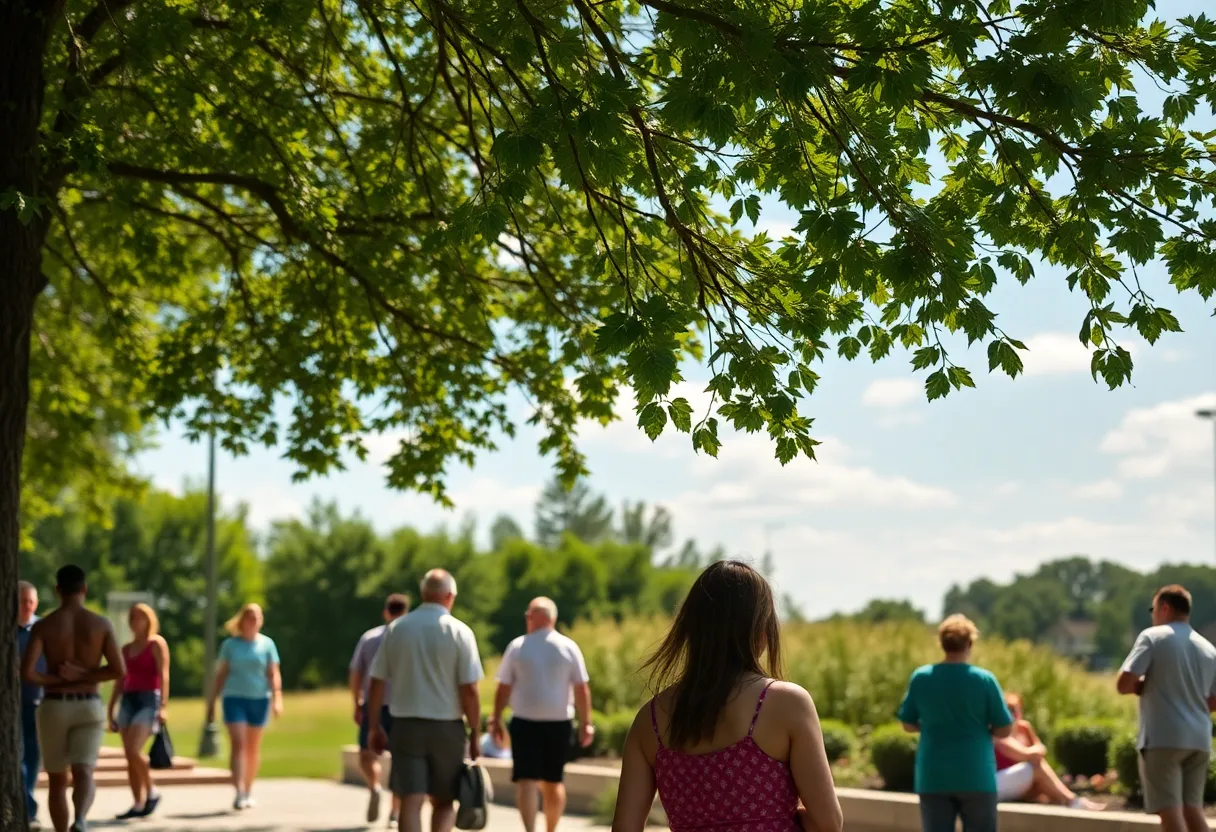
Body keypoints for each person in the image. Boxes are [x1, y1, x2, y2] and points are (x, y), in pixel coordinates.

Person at [612, 561, 843, 832]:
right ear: (760, 632)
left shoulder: (649, 721)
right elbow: (828, 823)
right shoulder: (787, 703)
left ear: (691, 630)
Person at [367, 569, 483, 832]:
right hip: (447, 726)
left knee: (411, 799)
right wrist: (475, 732)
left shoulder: (397, 629)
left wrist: (374, 725)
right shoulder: (459, 632)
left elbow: (376, 682)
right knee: (443, 801)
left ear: (423, 594)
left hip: (406, 725)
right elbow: (470, 690)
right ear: (450, 596)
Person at [20, 565, 125, 832]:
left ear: (57, 590)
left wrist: (58, 680)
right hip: (89, 706)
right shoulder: (101, 624)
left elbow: (28, 672)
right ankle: (80, 820)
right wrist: (86, 675)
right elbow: (118, 669)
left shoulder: (44, 626)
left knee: (57, 779)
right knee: (85, 771)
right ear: (84, 589)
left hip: (54, 706)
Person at [896, 614, 1014, 832]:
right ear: (970, 643)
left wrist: (930, 726)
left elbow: (907, 723)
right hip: (976, 774)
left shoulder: (922, 677)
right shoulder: (984, 680)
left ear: (942, 643)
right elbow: (1004, 729)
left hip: (934, 775)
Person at [490, 597, 595, 832]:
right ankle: (550, 830)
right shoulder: (568, 647)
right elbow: (581, 688)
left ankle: (531, 830)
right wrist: (586, 723)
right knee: (553, 781)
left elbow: (503, 688)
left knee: (527, 780)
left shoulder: (518, 646)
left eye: (529, 615)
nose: (526, 619)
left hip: (526, 722)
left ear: (540, 617)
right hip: (558, 724)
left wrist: (495, 718)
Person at [1117, 585, 1216, 832]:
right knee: (1193, 810)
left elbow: (1124, 683)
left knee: (1170, 812)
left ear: (1164, 608)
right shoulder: (1208, 648)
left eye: (1154, 609)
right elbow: (1214, 701)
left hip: (1163, 738)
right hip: (1200, 738)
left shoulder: (1153, 636)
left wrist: (1143, 687)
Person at [205, 602, 283, 811]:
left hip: (259, 698)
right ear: (242, 620)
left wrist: (278, 698)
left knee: (252, 747)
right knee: (239, 744)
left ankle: (248, 790)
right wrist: (212, 701)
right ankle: (238, 791)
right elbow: (221, 674)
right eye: (250, 617)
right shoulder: (230, 645)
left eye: (257, 617)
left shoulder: (267, 645)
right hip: (234, 698)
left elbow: (273, 673)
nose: (253, 621)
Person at [350, 593, 410, 825]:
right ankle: (395, 812)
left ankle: (375, 785)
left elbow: (357, 673)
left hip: (373, 705)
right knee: (400, 760)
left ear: (386, 612)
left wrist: (357, 702)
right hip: (403, 706)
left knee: (366, 754)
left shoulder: (370, 638)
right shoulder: (409, 639)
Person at [107, 603, 171, 820]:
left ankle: (151, 791)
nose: (136, 622)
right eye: (133, 618)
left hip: (148, 700)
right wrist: (111, 709)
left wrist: (163, 705)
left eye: (140, 618)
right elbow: (119, 681)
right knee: (128, 756)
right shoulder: (126, 649)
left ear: (149, 620)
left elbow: (164, 675)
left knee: (135, 750)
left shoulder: (156, 644)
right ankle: (138, 802)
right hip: (128, 700)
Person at [994, 692, 1103, 810]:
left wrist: (1036, 752)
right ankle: (1072, 801)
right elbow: (1027, 754)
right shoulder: (997, 733)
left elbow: (1040, 750)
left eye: (1015, 710)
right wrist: (1035, 752)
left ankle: (1070, 802)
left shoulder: (1024, 727)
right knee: (1035, 767)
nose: (1013, 715)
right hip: (993, 786)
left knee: (1039, 776)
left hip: (1011, 781)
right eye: (1009, 710)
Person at [17, 580, 45, 830]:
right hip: (10, 705)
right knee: (18, 756)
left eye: (30, 601)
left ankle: (27, 805)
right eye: (22, 601)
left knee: (33, 756)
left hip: (37, 701)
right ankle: (28, 809)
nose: (26, 606)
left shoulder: (43, 629)